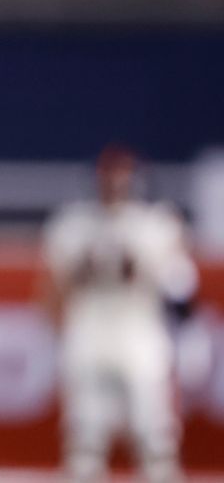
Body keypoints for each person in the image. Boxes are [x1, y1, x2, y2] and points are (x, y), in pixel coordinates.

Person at [41, 146, 197, 483]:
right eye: (109, 177)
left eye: (122, 178)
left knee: (155, 433)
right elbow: (53, 291)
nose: (114, 184)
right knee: (84, 436)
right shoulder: (73, 225)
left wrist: (185, 336)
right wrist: (55, 332)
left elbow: (180, 287)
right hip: (88, 331)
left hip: (138, 332)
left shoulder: (156, 224)